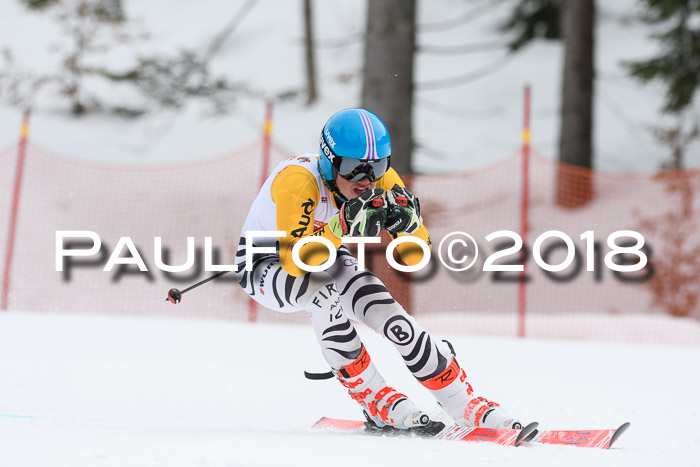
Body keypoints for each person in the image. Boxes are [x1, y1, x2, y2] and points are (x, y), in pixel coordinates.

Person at [233, 108, 520, 433]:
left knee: (384, 307)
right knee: (322, 294)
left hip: (323, 252)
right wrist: (339, 227)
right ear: (330, 163)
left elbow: (415, 259)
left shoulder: (383, 182)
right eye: (354, 169)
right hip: (264, 263)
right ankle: (374, 399)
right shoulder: (299, 182)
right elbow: (295, 263)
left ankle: (462, 401)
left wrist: (411, 229)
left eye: (377, 166)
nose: (367, 180)